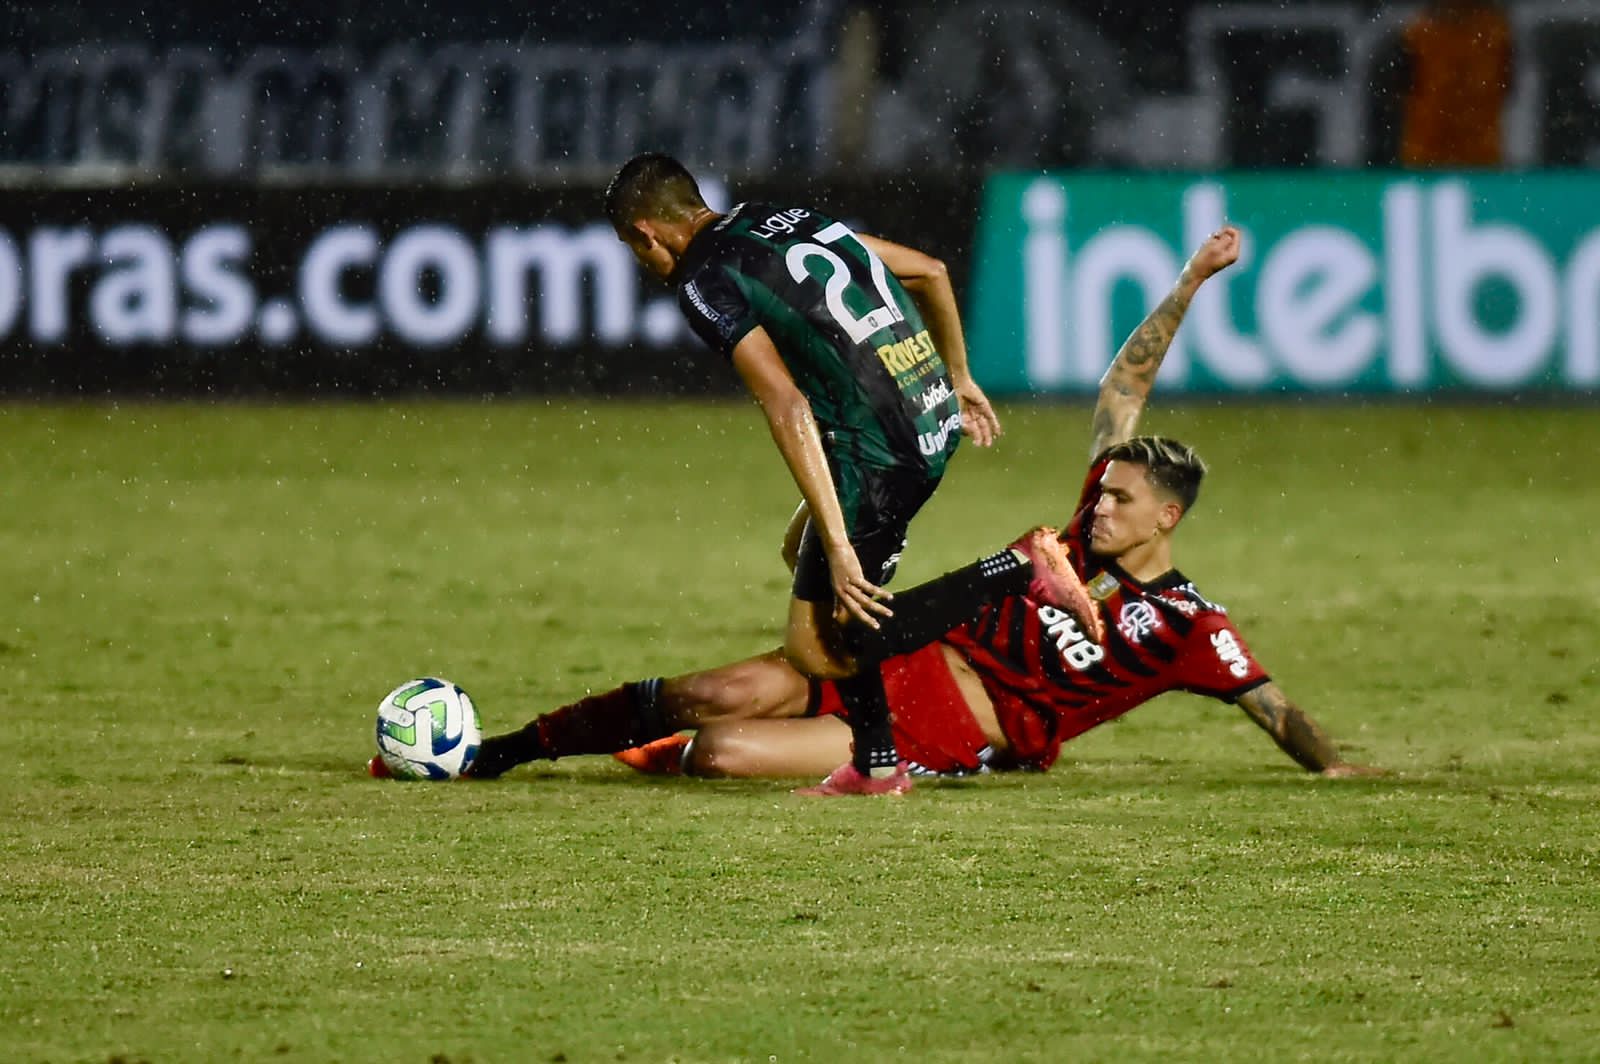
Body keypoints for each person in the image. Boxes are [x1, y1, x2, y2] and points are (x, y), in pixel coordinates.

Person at [435, 226, 1379, 785]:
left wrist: (1334, 767)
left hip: (952, 727)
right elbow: (1121, 391)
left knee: (722, 751)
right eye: (1106, 491)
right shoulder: (1088, 540)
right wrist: (1189, 283)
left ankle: (672, 753)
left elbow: (1271, 706)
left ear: (1166, 520)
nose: (1101, 506)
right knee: (707, 691)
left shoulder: (1190, 625)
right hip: (901, 647)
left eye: (1123, 500)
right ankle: (506, 752)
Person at [583, 152, 1095, 796]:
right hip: (929, 412)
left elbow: (787, 403)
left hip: (881, 448)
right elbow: (931, 271)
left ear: (647, 233)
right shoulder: (778, 215)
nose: (641, 264)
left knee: (817, 646)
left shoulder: (702, 276)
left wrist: (842, 540)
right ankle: (875, 747)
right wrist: (958, 377)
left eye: (634, 250)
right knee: (802, 552)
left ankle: (1007, 584)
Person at [1397, 0, 1514, 169]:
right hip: (1427, 157)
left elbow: (1507, 85)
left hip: (1481, 160)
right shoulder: (1417, 34)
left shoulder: (1497, 33)